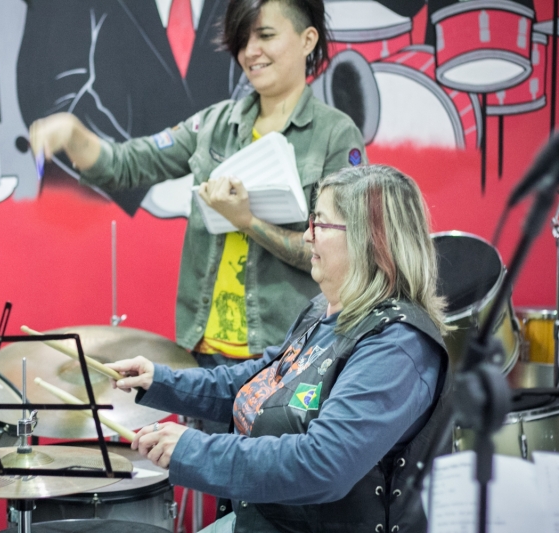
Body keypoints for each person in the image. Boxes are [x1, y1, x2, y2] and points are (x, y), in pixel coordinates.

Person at [29, 0, 367, 379]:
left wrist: (248, 221)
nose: (250, 51)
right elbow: (127, 165)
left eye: (265, 36)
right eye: (242, 41)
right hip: (200, 355)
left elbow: (339, 252)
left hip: (283, 358)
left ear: (308, 40)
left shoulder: (336, 135)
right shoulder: (212, 124)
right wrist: (74, 134)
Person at [108, 165, 453, 533]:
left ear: (371, 240)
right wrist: (159, 381)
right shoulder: (323, 310)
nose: (307, 237)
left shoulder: (398, 348)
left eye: (320, 224)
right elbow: (255, 384)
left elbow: (323, 465)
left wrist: (194, 450)